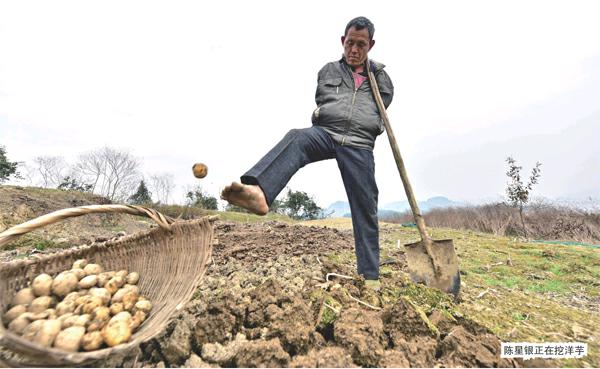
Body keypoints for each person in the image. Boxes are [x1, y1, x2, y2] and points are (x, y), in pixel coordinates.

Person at [221, 16, 394, 290]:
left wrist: (373, 127)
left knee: (366, 206)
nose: (354, 50)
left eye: (361, 45)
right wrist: (320, 115)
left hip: (359, 144)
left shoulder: (382, 79)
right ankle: (259, 192)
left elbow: (381, 110)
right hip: (327, 133)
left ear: (370, 45)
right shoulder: (328, 71)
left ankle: (370, 277)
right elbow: (323, 101)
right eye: (350, 43)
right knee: (297, 137)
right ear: (342, 41)